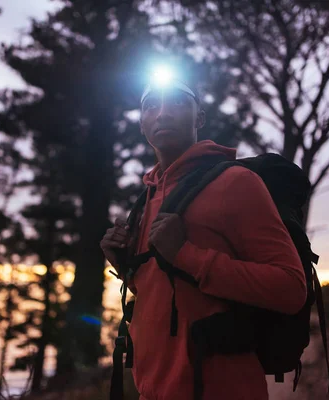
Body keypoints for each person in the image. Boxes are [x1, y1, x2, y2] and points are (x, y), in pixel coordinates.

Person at [100, 75, 307, 400]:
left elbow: (291, 288)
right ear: (142, 124)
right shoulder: (145, 200)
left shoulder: (237, 183)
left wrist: (185, 253)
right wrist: (125, 265)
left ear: (200, 118)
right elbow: (172, 292)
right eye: (151, 105)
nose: (163, 113)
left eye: (178, 102)